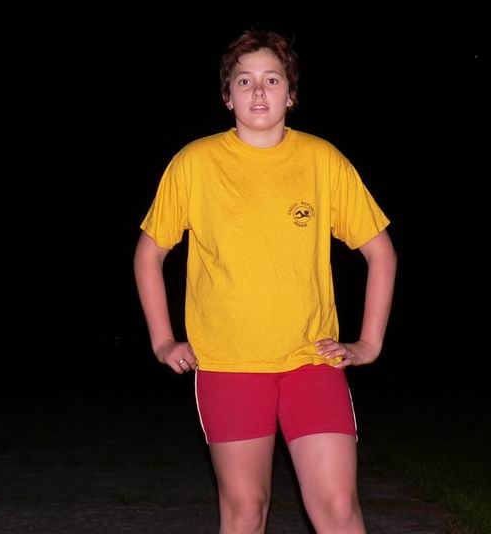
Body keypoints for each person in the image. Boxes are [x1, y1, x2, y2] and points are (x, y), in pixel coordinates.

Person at [134, 29, 397, 534]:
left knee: (339, 507)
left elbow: (380, 251)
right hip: (229, 364)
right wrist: (163, 340)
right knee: (246, 510)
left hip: (311, 361)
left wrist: (369, 343)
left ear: (290, 94)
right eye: (244, 80)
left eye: (272, 79)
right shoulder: (194, 163)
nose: (258, 91)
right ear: (227, 96)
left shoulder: (322, 160)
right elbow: (149, 253)